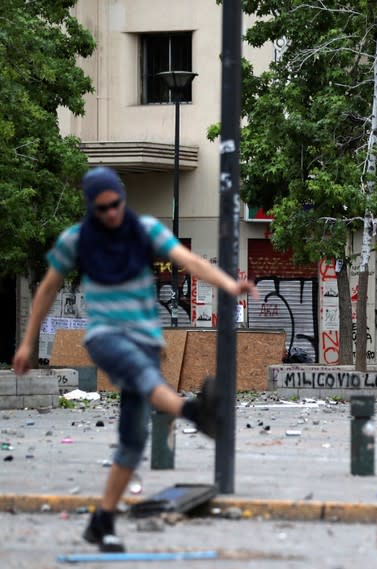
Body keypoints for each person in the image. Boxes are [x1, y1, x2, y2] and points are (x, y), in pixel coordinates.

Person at [12, 167, 256, 553]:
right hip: (105, 337)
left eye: (116, 205)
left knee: (132, 441)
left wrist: (229, 284)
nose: (111, 213)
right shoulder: (75, 241)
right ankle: (194, 413)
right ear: (92, 208)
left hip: (146, 340)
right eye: (103, 208)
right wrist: (27, 342)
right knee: (145, 378)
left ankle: (102, 521)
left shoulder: (143, 229)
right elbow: (46, 289)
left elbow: (187, 260)